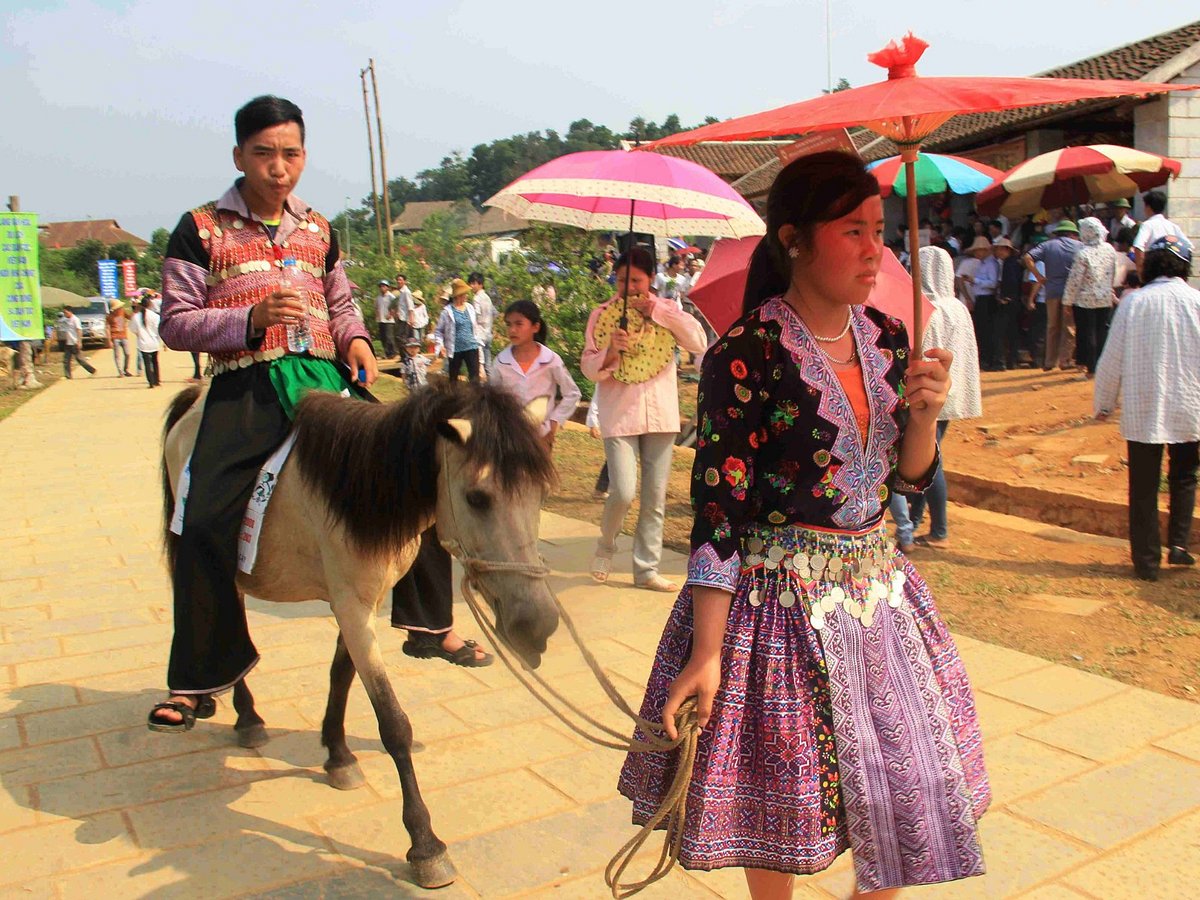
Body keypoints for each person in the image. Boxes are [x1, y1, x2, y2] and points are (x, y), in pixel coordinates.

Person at [617, 151, 988, 898]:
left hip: (881, 598)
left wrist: (925, 413)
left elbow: (910, 475)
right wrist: (709, 653)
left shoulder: (888, 338)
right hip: (775, 612)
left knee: (900, 796)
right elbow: (720, 512)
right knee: (787, 804)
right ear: (794, 238)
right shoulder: (745, 354)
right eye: (851, 230)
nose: (872, 247)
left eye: (877, 230)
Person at [148, 95, 378, 731]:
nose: (280, 168)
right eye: (265, 153)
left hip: (324, 382)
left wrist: (356, 340)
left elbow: (342, 304)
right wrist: (247, 320)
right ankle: (198, 679)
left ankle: (428, 623)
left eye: (292, 153)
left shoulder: (320, 229)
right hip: (245, 385)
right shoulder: (199, 228)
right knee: (196, 523)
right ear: (239, 156)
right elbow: (175, 322)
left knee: (415, 462)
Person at [581, 247, 707, 591]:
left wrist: (659, 312)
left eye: (635, 280)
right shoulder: (602, 315)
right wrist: (611, 351)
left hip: (660, 414)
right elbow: (589, 367)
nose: (628, 287)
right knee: (622, 490)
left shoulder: (669, 308)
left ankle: (646, 569)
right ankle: (606, 545)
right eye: (622, 280)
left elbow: (697, 342)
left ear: (651, 279)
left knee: (655, 496)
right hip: (619, 414)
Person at [1094, 235, 1200, 582]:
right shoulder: (1197, 301)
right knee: (1184, 477)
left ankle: (1147, 561)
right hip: (1189, 405)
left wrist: (1104, 402)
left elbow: (1112, 358)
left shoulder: (1132, 303)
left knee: (1143, 486)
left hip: (1144, 410)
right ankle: (1180, 546)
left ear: (1150, 264)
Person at [890, 246, 983, 551]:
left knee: (930, 460)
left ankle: (940, 529)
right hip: (952, 395)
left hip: (929, 395)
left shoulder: (924, 307)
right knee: (926, 457)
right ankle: (917, 521)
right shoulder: (958, 307)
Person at [488, 300, 581, 448]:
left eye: (519, 324)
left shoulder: (551, 360)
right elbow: (491, 399)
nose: (512, 330)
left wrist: (554, 422)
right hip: (510, 437)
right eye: (509, 324)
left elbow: (572, 393)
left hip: (542, 437)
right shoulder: (500, 362)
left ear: (535, 327)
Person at [1023, 219, 1082, 371]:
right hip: (1072, 291)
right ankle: (1065, 360)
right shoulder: (1079, 246)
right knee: (1069, 327)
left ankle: (1050, 362)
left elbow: (1027, 257)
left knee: (1052, 326)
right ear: (1072, 233)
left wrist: (1038, 275)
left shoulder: (1048, 245)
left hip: (1052, 291)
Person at [1062, 217, 1117, 378]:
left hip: (1084, 300)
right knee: (1102, 333)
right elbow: (1113, 272)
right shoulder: (1110, 249)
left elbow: (1074, 280)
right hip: (1104, 298)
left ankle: (1091, 370)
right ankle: (1101, 368)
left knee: (1087, 334)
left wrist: (1067, 301)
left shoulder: (1083, 254)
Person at [1132, 190, 1193, 277]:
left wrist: (1141, 271)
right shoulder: (1172, 226)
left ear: (1148, 207)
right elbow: (1189, 247)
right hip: (1173, 271)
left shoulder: (1147, 225)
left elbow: (1138, 246)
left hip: (1154, 269)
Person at [434, 278, 482, 381]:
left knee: (474, 377)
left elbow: (475, 327)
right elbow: (439, 331)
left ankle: (475, 396)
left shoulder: (470, 308)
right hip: (455, 349)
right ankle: (453, 396)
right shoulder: (447, 312)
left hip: (471, 346)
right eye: (464, 294)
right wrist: (440, 345)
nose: (466, 296)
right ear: (458, 296)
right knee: (453, 378)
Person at [963, 237, 999, 369]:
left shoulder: (991, 264)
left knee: (986, 330)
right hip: (981, 298)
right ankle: (984, 358)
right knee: (981, 330)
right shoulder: (982, 264)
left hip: (987, 299)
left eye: (978, 251)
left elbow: (993, 283)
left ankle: (988, 359)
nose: (976, 254)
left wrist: (976, 280)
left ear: (984, 250)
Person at [993, 237, 1024, 370]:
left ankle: (1001, 363)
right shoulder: (1014, 263)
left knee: (1000, 332)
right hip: (1015, 300)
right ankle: (1013, 361)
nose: (997, 252)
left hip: (1009, 301)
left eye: (999, 249)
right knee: (1012, 332)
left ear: (1006, 250)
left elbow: (1011, 282)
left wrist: (1006, 297)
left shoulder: (1008, 264)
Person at [129, 297, 162, 388]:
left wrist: (139, 334)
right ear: (150, 304)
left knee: (147, 363)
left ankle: (151, 383)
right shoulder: (155, 316)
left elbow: (133, 329)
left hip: (143, 343)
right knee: (155, 362)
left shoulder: (136, 316)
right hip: (154, 342)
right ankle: (157, 380)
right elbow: (158, 329)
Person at [468, 272, 495, 371]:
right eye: (471, 283)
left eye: (474, 283)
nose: (472, 286)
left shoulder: (477, 298)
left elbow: (475, 316)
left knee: (480, 365)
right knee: (488, 365)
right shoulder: (488, 298)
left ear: (481, 284)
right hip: (488, 332)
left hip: (480, 333)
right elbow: (494, 313)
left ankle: (482, 385)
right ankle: (491, 384)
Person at [60, 307, 96, 378]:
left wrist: (79, 341)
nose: (65, 314)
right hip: (68, 343)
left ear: (70, 312)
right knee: (66, 360)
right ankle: (68, 375)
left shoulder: (75, 319)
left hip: (74, 342)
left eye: (66, 312)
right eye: (64, 313)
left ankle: (92, 370)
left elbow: (79, 330)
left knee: (79, 359)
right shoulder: (66, 320)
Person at [106, 299, 132, 376]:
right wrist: (109, 340)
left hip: (123, 335)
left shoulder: (122, 311)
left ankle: (125, 369)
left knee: (127, 354)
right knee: (117, 355)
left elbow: (129, 317)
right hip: (115, 337)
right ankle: (120, 372)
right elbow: (107, 328)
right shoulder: (109, 316)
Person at [375, 280, 397, 359]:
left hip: (389, 320)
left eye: (384, 286)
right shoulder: (378, 298)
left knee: (389, 337)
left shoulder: (391, 296)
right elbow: (376, 307)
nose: (382, 288)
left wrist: (391, 314)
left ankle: (393, 352)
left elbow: (395, 306)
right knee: (383, 337)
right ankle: (387, 353)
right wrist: (377, 316)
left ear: (387, 287)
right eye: (381, 286)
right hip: (381, 320)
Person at [393, 273, 413, 348]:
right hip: (400, 317)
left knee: (401, 337)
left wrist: (411, 319)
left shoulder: (406, 292)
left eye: (400, 280)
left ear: (404, 281)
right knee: (399, 337)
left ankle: (406, 354)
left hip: (405, 318)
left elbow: (410, 306)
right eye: (397, 280)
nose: (398, 281)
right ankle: (403, 356)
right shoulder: (400, 292)